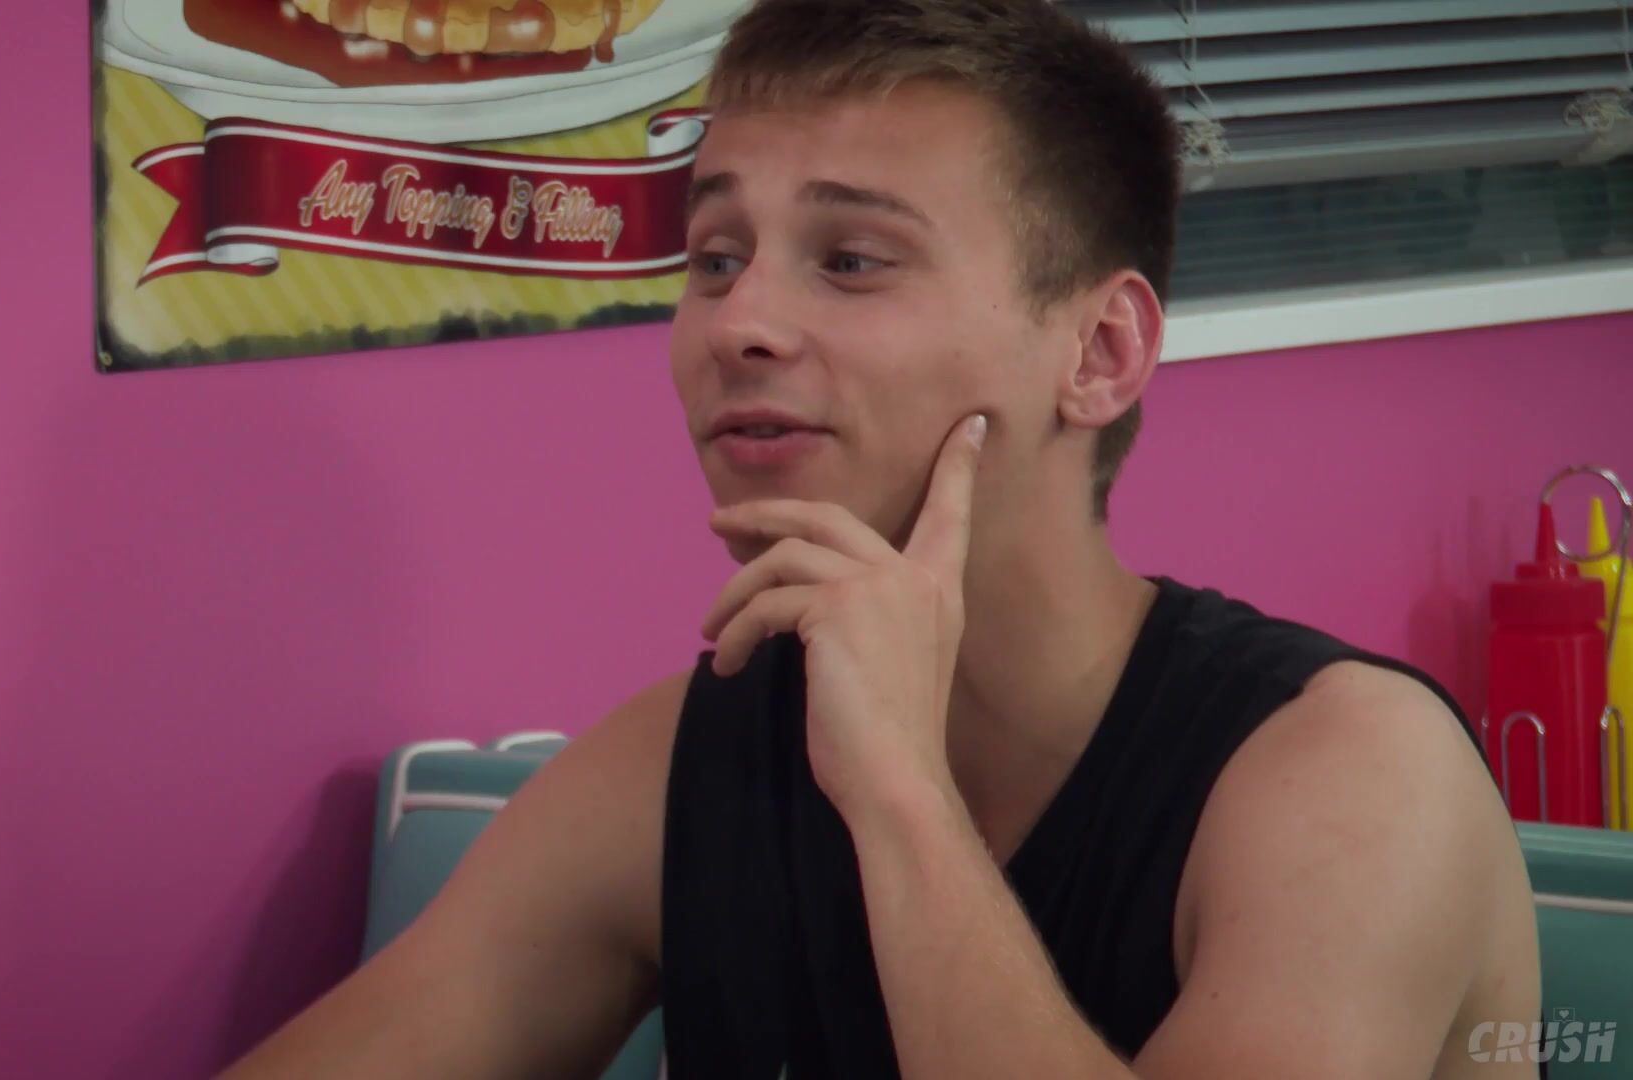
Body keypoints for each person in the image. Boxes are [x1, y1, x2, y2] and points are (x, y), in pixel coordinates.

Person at [221, 1, 1544, 1076]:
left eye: (851, 260)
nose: (742, 324)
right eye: (718, 257)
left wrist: (900, 791)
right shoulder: (676, 769)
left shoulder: (1352, 779)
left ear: (1099, 352)